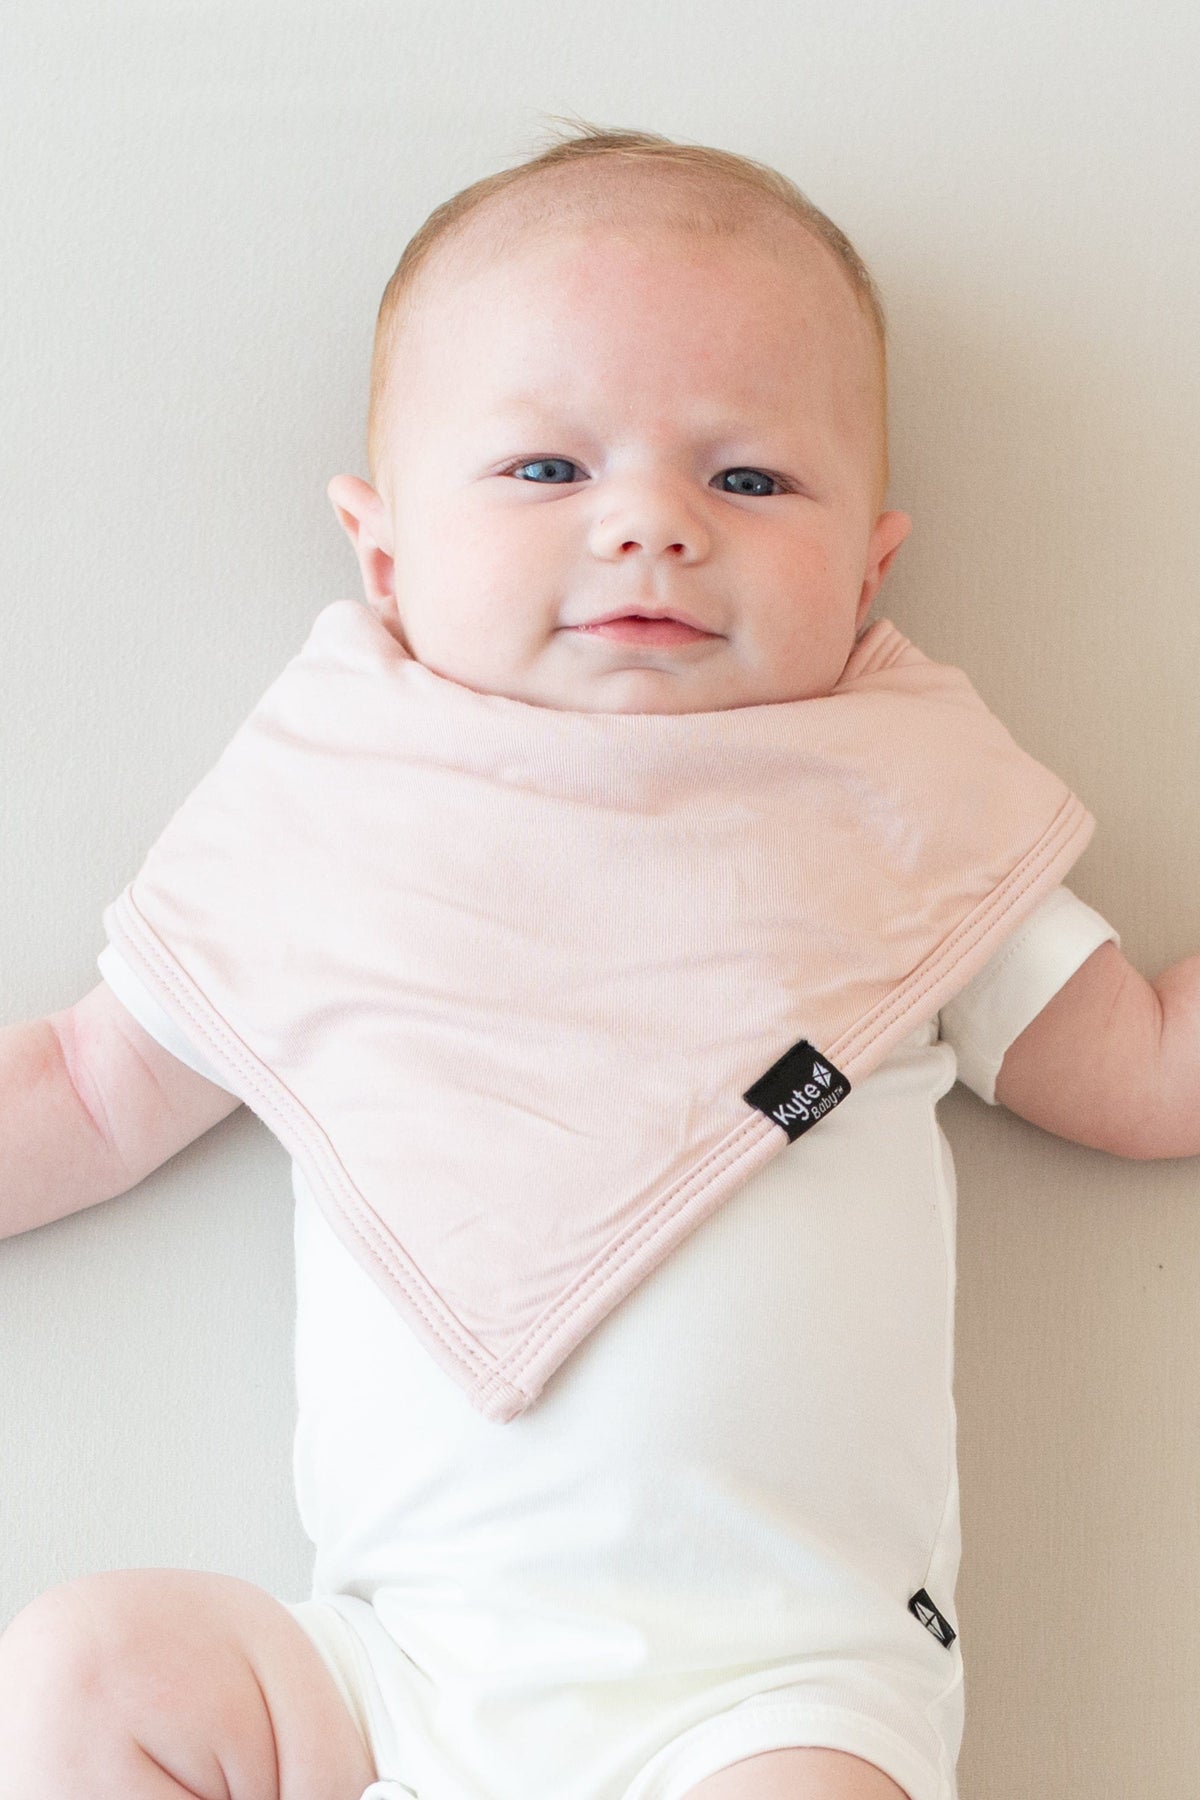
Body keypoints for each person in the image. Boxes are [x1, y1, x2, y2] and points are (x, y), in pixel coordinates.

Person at [2, 121, 1195, 1800]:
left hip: (779, 1685)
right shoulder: (335, 824)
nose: (650, 525)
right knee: (84, 1669)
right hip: (391, 1670)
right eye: (548, 472)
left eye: (749, 478)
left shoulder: (898, 825)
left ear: (870, 567)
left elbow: (1144, 1066)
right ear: (384, 550)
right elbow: (88, 1084)